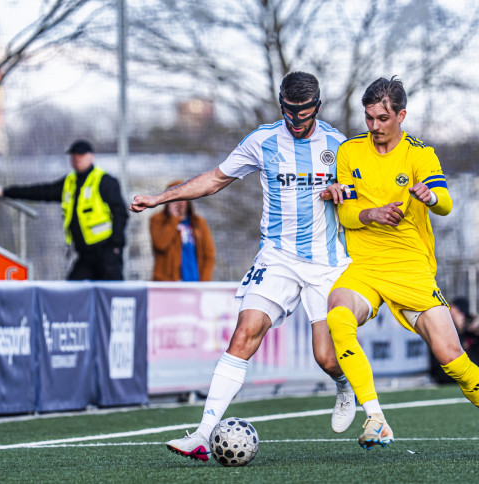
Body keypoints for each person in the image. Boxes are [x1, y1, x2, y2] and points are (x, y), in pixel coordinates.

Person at [130, 72, 356, 462]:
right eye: (289, 113)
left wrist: (345, 191)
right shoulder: (262, 141)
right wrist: (159, 198)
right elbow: (214, 179)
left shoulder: (340, 146)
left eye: (303, 114)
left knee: (326, 357)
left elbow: (364, 194)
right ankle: (202, 435)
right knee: (244, 333)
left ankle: (344, 386)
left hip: (326, 264)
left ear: (317, 107)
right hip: (277, 258)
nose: (295, 121)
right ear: (281, 105)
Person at [322, 77, 479, 461]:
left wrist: (431, 196)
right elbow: (347, 214)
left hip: (411, 269)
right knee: (338, 315)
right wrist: (371, 214)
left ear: (401, 115)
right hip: (366, 266)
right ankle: (375, 417)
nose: (374, 126)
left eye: (383, 118)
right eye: (369, 118)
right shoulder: (350, 151)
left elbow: (446, 204)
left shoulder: (420, 154)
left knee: (451, 356)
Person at [0, 140, 128, 280]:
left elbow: (120, 213)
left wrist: (116, 244)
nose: (77, 158)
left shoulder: (104, 181)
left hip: (106, 252)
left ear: (91, 156)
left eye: (81, 155)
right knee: (71, 290)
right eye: (74, 155)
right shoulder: (69, 182)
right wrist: (7, 192)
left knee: (113, 290)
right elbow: (41, 191)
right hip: (85, 254)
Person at [149, 179, 216, 281]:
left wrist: (204, 282)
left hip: (194, 282)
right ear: (167, 201)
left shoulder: (198, 223)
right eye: (174, 199)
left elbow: (209, 255)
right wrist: (174, 219)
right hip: (168, 283)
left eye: (182, 198)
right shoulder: (157, 220)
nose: (179, 203)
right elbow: (160, 244)